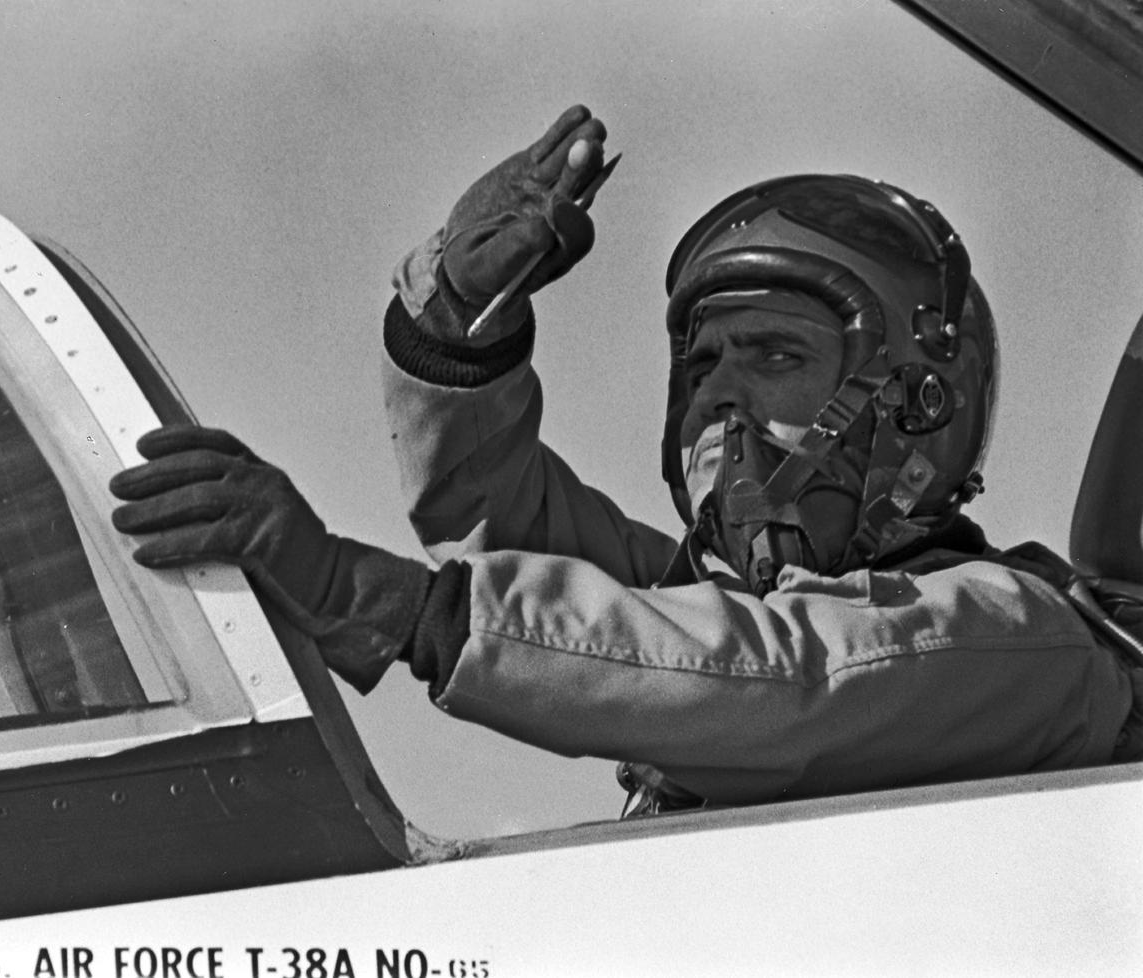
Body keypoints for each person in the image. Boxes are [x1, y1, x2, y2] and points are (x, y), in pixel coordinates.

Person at [109, 105, 1140, 816]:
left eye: (775, 355)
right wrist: (455, 328)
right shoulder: (694, 611)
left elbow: (783, 676)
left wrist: (368, 596)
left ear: (919, 412)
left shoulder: (1024, 642)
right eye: (701, 362)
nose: (719, 398)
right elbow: (518, 541)